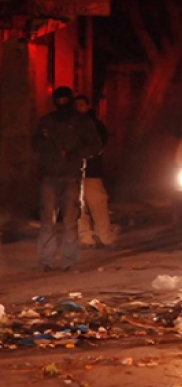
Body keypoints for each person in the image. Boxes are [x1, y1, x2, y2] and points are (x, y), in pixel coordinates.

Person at [31, 86, 102, 271]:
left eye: (65, 100)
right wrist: (48, 150)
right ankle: (46, 260)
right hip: (50, 175)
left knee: (70, 220)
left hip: (71, 175)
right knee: (48, 220)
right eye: (58, 100)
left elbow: (96, 145)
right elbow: (35, 144)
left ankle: (69, 261)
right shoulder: (47, 121)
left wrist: (76, 153)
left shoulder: (81, 122)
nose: (62, 104)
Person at [75, 95, 118, 248]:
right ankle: (86, 237)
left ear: (87, 106)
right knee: (80, 208)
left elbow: (100, 144)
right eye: (76, 105)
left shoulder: (95, 125)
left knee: (98, 204)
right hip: (75, 172)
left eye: (82, 105)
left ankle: (105, 235)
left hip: (92, 171)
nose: (79, 108)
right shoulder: (70, 125)